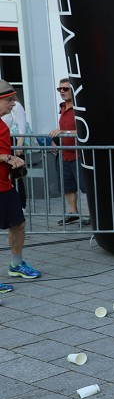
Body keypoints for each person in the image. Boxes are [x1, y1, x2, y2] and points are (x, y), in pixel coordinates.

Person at [0, 80, 40, 288]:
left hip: (5, 186)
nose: (13, 104)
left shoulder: (3, 125)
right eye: (9, 100)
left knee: (18, 224)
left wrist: (13, 162)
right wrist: (7, 158)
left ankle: (16, 265)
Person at [49, 78, 87, 224]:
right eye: (60, 89)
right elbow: (62, 129)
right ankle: (73, 213)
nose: (62, 92)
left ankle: (92, 215)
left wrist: (63, 132)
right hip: (64, 154)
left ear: (73, 89)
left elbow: (82, 130)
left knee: (86, 187)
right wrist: (55, 141)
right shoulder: (62, 107)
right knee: (68, 186)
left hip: (78, 154)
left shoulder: (80, 107)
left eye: (66, 89)